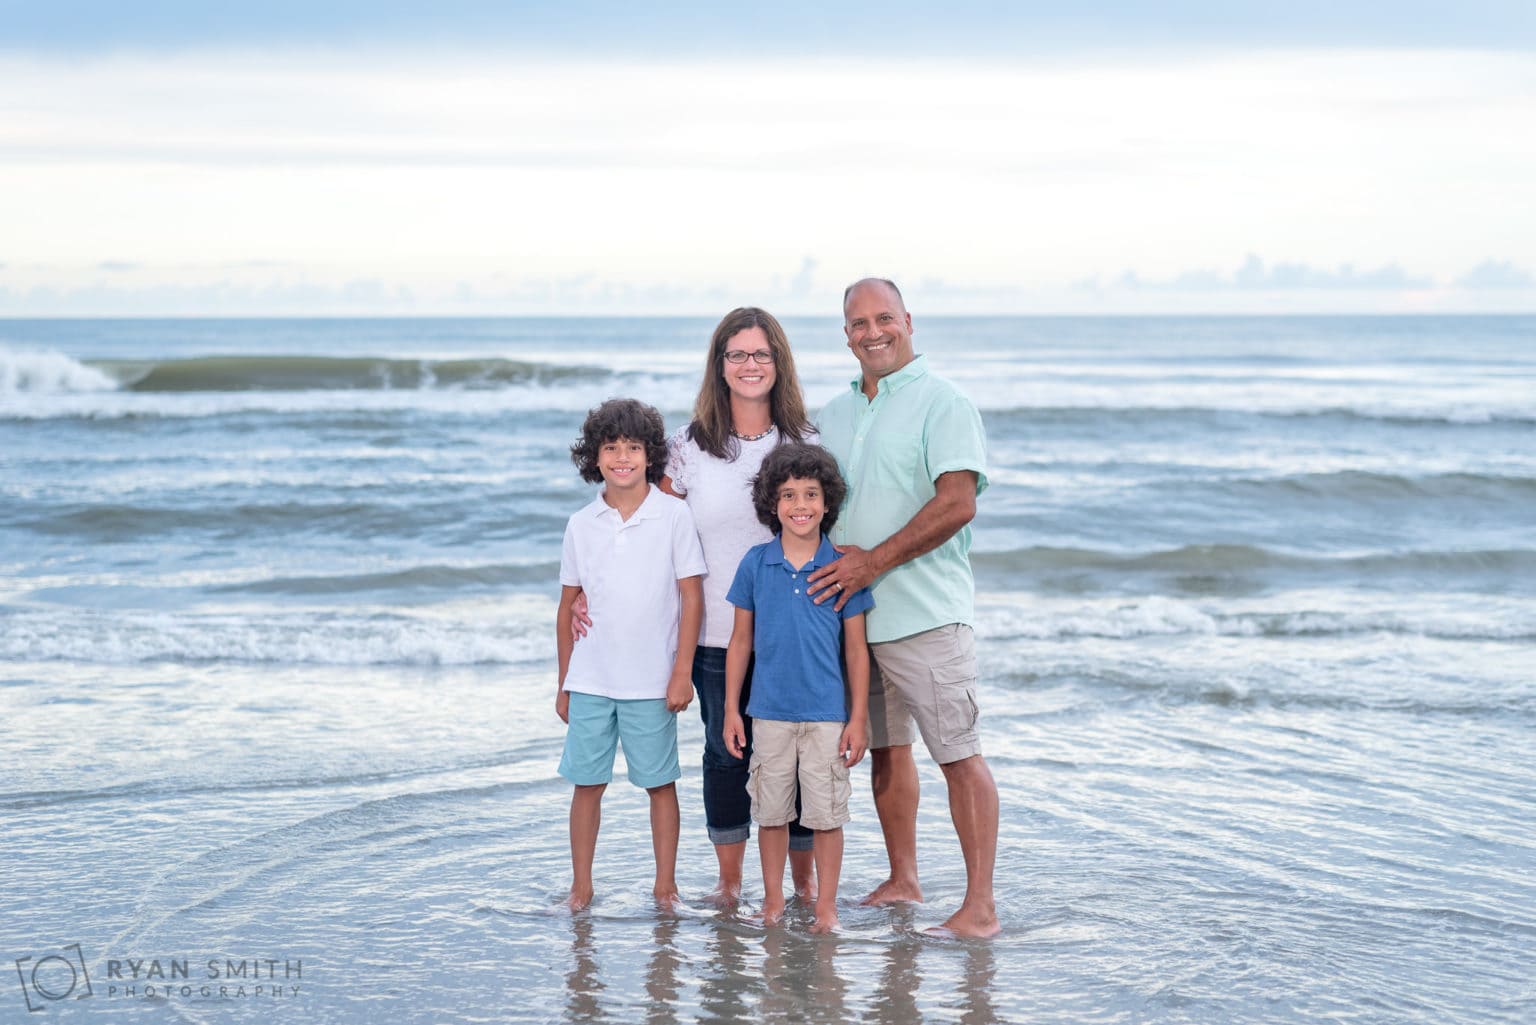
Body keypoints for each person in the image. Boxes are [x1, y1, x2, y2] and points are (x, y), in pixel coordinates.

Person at [577, 307, 820, 905]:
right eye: (736, 354)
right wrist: (588, 583)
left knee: (796, 755)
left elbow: (824, 524)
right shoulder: (687, 448)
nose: (749, 365)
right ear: (719, 365)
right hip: (715, 629)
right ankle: (732, 881)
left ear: (778, 363)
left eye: (761, 354)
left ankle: (804, 883)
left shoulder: (806, 441)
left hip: (794, 629)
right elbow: (645, 526)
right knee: (725, 755)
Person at [806, 278, 1001, 938]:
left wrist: (873, 560)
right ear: (846, 334)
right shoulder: (831, 413)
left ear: (908, 321)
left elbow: (958, 502)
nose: (872, 330)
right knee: (888, 754)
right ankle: (903, 877)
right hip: (854, 622)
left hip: (927, 614)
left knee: (958, 755)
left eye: (883, 317)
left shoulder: (944, 403)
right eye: (858, 322)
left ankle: (980, 906)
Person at [555, 398, 706, 912]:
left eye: (634, 448)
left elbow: (692, 596)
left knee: (660, 784)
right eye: (611, 448)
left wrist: (681, 672)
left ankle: (665, 887)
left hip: (652, 681)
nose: (623, 457)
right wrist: (564, 683)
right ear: (593, 457)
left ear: (651, 455)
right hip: (592, 679)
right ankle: (582, 887)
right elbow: (567, 607)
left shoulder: (673, 515)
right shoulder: (581, 523)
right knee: (586, 784)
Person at [722, 443, 872, 933]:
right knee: (770, 812)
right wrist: (731, 710)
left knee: (827, 815)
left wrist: (857, 718)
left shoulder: (843, 567)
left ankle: (826, 909)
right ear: (772, 503)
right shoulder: (755, 563)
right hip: (767, 713)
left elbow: (856, 651)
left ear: (828, 503)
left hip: (828, 716)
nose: (800, 505)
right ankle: (773, 902)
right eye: (788, 495)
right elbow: (740, 641)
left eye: (811, 494)